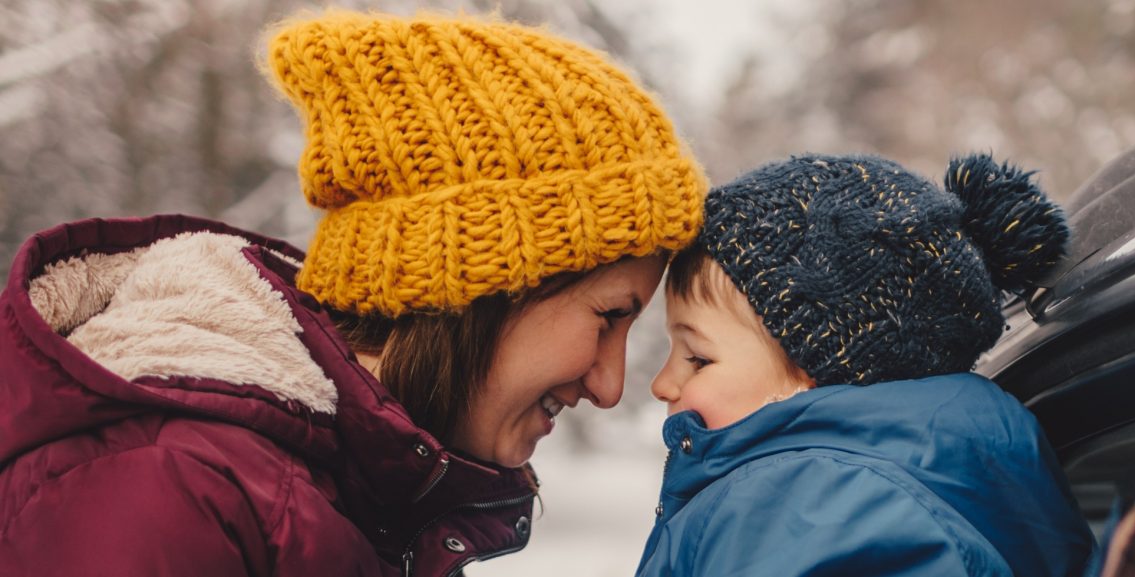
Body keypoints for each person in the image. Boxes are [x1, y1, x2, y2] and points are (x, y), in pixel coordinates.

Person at [0, 10, 704, 576]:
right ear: (469, 282)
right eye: (609, 316)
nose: (612, 386)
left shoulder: (382, 496)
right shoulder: (171, 494)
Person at [638, 153, 1094, 576]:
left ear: (819, 375)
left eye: (698, 359)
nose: (662, 383)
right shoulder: (862, 496)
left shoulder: (818, 509)